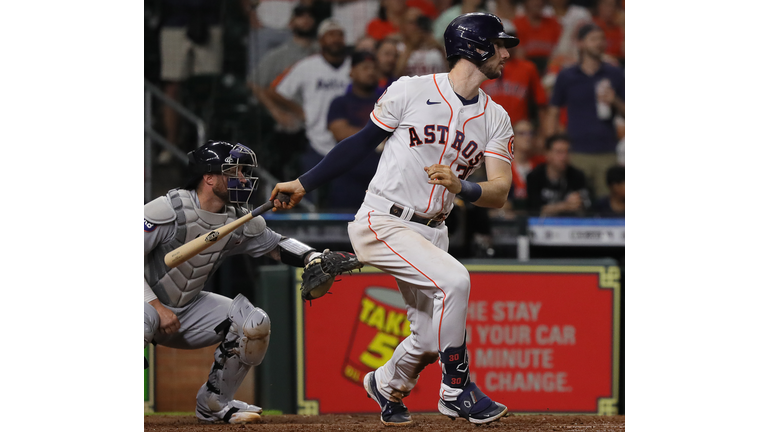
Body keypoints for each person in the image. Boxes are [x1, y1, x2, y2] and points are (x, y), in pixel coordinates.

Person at [269, 12, 518, 426]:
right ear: (475, 47)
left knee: (426, 340)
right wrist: (303, 182)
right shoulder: (413, 90)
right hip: (383, 219)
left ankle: (385, 383)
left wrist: (463, 188)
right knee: (455, 282)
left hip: (434, 230)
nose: (506, 53)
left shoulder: (496, 118)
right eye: (500, 44)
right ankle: (456, 389)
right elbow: (361, 144)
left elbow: (499, 192)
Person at [144, 141, 359, 424]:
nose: (243, 179)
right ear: (208, 177)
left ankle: (214, 403)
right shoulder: (167, 210)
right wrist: (157, 307)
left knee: (253, 322)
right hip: (146, 303)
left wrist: (312, 256)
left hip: (186, 310)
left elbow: (277, 245)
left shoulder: (238, 218)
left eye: (244, 172)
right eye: (235, 172)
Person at [544, 23, 624, 198]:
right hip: (575, 152)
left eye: (602, 39)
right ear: (580, 43)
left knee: (607, 203)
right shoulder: (567, 75)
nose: (599, 43)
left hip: (607, 151)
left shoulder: (615, 73)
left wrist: (615, 101)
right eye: (593, 39)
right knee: (576, 201)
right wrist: (551, 145)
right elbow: (553, 111)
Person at [267, 19, 352, 177]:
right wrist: (299, 111)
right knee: (309, 194)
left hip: (349, 139)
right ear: (321, 40)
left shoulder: (354, 66)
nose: (336, 39)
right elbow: (275, 90)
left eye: (340, 35)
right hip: (315, 138)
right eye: (330, 35)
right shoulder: (307, 65)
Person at [247, 4, 318, 178]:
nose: (306, 19)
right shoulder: (279, 55)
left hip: (318, 116)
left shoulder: (322, 53)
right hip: (291, 120)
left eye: (310, 15)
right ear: (291, 23)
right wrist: (276, 111)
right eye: (301, 15)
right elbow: (254, 83)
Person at [159, 0, 223, 159]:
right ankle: (171, 144)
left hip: (210, 21)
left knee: (208, 86)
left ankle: (209, 145)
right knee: (172, 85)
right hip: (174, 21)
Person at [326, 51, 384, 209]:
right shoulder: (340, 102)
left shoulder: (386, 101)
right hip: (347, 177)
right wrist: (379, 136)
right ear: (352, 72)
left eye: (374, 68)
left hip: (381, 180)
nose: (371, 72)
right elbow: (341, 132)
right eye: (365, 67)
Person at [479, 31, 548, 127]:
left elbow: (541, 103)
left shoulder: (528, 68)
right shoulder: (481, 66)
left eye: (509, 41)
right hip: (486, 128)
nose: (505, 46)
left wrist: (542, 134)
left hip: (519, 130)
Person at [525, 134, 590, 216]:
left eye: (567, 152)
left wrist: (579, 203)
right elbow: (534, 210)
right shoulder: (534, 177)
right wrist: (564, 206)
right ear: (547, 154)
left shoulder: (577, 176)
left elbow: (587, 209)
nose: (564, 157)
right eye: (559, 152)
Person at [393, 8, 447, 77]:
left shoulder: (437, 47)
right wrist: (410, 47)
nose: (416, 26)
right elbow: (395, 74)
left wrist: (440, 48)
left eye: (419, 21)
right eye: (412, 22)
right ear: (402, 25)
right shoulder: (398, 47)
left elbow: (451, 71)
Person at [512, 0, 562, 75]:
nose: (538, 3)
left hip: (550, 69)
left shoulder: (553, 23)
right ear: (525, 2)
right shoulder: (516, 24)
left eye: (541, 0)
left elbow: (558, 53)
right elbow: (519, 56)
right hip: (525, 70)